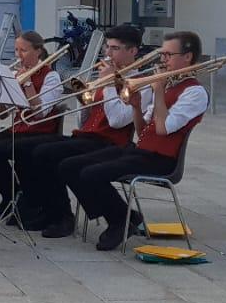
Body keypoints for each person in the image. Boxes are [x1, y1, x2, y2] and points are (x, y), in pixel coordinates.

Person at [64, 30, 209, 251]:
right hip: (140, 150)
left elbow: (163, 129)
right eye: (162, 54)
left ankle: (119, 221)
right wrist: (136, 107)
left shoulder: (195, 93)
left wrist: (158, 92)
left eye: (168, 55)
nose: (163, 60)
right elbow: (143, 132)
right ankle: (125, 216)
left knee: (92, 174)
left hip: (161, 159)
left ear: (187, 57)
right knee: (70, 166)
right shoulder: (167, 84)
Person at [16, 25, 142, 236]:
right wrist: (83, 101)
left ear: (133, 51)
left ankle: (67, 217)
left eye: (115, 48)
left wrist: (108, 85)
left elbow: (117, 121)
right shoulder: (106, 74)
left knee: (54, 157)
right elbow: (86, 121)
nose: (108, 54)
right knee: (35, 150)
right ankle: (51, 211)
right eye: (107, 47)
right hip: (89, 136)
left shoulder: (139, 82)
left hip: (112, 142)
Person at [0, 30, 63, 212]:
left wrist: (27, 82)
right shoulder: (16, 73)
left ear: (38, 51)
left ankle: (21, 200)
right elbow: (2, 115)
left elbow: (40, 113)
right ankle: (9, 195)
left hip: (40, 131)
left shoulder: (51, 76)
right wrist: (2, 91)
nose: (18, 55)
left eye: (23, 50)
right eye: (16, 50)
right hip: (18, 130)